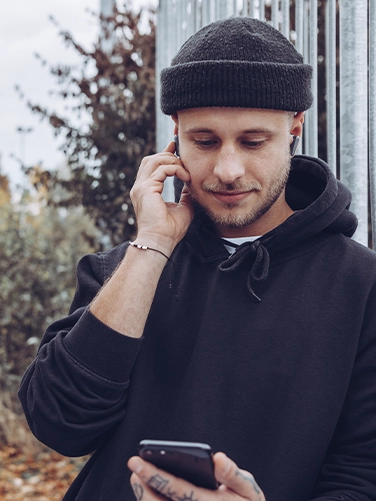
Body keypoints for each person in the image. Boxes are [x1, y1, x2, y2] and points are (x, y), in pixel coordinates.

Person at [19, 16, 376, 501]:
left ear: (295, 128)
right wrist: (152, 248)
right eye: (205, 142)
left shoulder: (361, 286)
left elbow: (363, 472)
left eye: (254, 142)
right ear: (175, 135)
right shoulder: (124, 271)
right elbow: (59, 424)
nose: (228, 170)